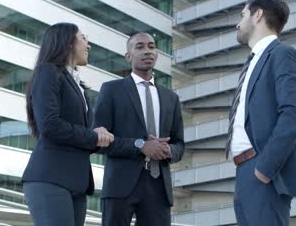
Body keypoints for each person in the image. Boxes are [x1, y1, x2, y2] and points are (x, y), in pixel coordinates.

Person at [225, 0, 296, 226]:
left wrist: (264, 169)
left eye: (242, 15)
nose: (238, 24)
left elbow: (293, 116)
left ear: (258, 15)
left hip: (263, 170)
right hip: (244, 170)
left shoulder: (282, 54)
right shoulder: (252, 62)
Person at [22, 23, 114, 226]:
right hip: (50, 178)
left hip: (76, 182)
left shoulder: (79, 85)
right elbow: (50, 125)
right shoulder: (48, 72)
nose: (88, 45)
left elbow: (79, 135)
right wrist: (92, 135)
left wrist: (98, 137)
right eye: (84, 38)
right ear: (68, 42)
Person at [93, 33, 185, 226]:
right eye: (140, 47)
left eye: (151, 47)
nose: (147, 51)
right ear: (128, 56)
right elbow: (99, 141)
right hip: (120, 184)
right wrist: (140, 145)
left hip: (158, 186)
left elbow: (179, 144)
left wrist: (169, 150)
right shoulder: (111, 90)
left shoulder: (171, 98)